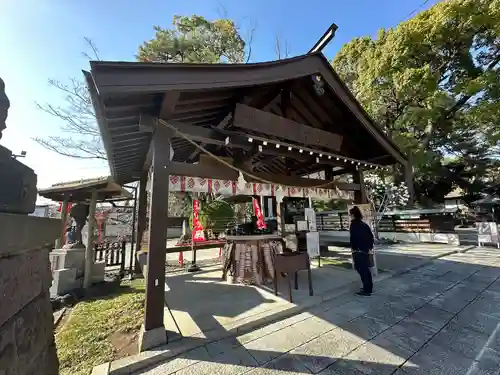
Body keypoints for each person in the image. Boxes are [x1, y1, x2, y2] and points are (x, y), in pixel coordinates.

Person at [349, 206, 374, 296]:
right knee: (366, 270)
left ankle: (366, 290)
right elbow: (371, 237)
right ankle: (369, 288)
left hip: (358, 251)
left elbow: (353, 238)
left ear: (353, 215)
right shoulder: (364, 225)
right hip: (365, 250)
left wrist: (353, 247)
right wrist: (369, 247)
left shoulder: (353, 225)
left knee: (362, 270)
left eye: (350, 215)